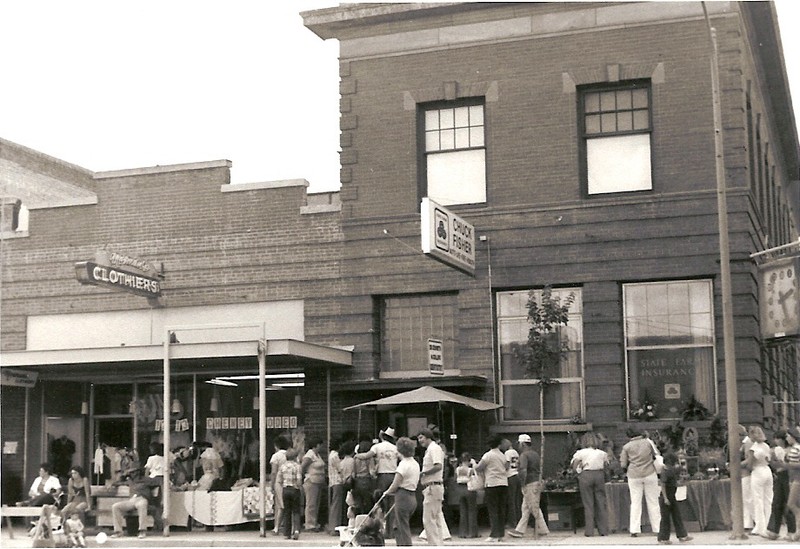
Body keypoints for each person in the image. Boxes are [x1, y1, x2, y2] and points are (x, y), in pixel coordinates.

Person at [620, 426, 661, 536]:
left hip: (634, 475)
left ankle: (634, 530)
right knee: (653, 501)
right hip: (649, 473)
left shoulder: (626, 447)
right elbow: (656, 455)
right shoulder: (648, 442)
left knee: (635, 502)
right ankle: (658, 529)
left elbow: (623, 464)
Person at [359, 427, 399, 537]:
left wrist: (357, 455)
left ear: (382, 436)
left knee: (381, 503)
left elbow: (366, 456)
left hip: (382, 476)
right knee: (392, 504)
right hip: (394, 475)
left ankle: (382, 529)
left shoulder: (376, 447)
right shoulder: (395, 448)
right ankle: (391, 530)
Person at [508, 433, 549, 539]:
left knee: (533, 507)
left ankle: (543, 530)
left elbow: (523, 470)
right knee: (526, 508)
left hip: (529, 483)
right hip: (536, 481)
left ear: (522, 444)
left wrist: (522, 483)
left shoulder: (524, 455)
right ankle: (520, 530)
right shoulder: (535, 454)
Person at [569, 432, 609, 537]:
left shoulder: (580, 453)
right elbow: (606, 466)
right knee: (601, 503)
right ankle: (603, 530)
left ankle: (589, 531)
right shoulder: (602, 453)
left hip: (586, 475)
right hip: (599, 475)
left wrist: (578, 473)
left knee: (588, 503)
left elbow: (574, 466)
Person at [383, 436, 421, 546]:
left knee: (402, 527)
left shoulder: (403, 465)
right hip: (412, 496)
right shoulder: (415, 463)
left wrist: (387, 492)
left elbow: (396, 483)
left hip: (403, 496)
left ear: (400, 450)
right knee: (398, 524)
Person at [475, 435, 510, 543]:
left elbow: (479, 467)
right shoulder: (502, 455)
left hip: (492, 484)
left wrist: (474, 465)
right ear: (499, 444)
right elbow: (507, 467)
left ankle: (494, 534)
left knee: (493, 509)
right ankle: (500, 534)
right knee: (501, 509)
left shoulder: (488, 455)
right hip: (503, 483)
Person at [764, 429, 796, 540]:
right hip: (780, 477)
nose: (776, 441)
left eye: (778, 438)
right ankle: (773, 530)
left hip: (789, 476)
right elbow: (776, 466)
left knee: (789, 503)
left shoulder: (792, 450)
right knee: (777, 502)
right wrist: (771, 461)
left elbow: (790, 465)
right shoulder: (775, 450)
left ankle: (792, 530)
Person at [417, 427, 447, 545]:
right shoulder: (431, 449)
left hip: (432, 486)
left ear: (428, 436)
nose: (420, 441)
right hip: (432, 487)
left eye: (421, 437)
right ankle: (438, 544)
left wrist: (423, 473)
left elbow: (438, 466)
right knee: (436, 518)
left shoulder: (434, 449)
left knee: (429, 519)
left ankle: (434, 545)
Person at [110, 467, 156, 539]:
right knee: (115, 506)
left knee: (142, 505)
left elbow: (158, 482)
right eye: (130, 472)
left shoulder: (146, 479)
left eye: (133, 472)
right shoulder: (130, 481)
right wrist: (124, 475)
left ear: (138, 472)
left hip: (142, 498)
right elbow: (116, 483)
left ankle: (142, 531)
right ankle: (118, 532)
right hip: (132, 500)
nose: (132, 474)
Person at [656, 452, 692, 544]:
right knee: (665, 518)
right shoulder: (665, 471)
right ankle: (663, 538)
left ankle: (682, 535)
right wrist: (665, 498)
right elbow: (663, 485)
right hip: (666, 496)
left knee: (677, 516)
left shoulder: (671, 470)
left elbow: (675, 480)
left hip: (672, 496)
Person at [747, 425, 773, 537]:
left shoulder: (753, 448)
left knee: (757, 499)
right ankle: (768, 524)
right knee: (768, 499)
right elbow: (769, 460)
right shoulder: (766, 446)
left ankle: (759, 527)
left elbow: (749, 464)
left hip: (757, 472)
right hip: (767, 471)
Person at [277, 447, 303, 541]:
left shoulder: (282, 466)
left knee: (287, 511)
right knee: (296, 511)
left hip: (285, 489)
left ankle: (286, 533)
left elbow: (279, 480)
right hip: (295, 489)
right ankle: (296, 530)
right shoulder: (297, 466)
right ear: (295, 457)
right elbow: (299, 480)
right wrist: (300, 487)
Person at [301, 435, 326, 532]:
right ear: (316, 445)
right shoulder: (309, 455)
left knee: (316, 503)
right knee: (311, 503)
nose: (321, 447)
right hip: (311, 481)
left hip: (318, 481)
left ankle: (314, 522)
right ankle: (309, 524)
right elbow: (302, 467)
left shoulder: (317, 455)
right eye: (320, 445)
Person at [269, 435, 291, 535]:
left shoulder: (276, 456)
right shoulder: (291, 454)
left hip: (279, 481)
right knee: (288, 504)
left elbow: (274, 472)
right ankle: (287, 526)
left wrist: (272, 484)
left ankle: (277, 527)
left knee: (280, 505)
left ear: (276, 446)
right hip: (290, 481)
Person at [782, 427, 800, 542]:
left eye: (788, 436)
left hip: (797, 478)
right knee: (794, 505)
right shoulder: (793, 448)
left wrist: (785, 466)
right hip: (793, 478)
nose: (787, 438)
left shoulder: (797, 448)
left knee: (791, 504)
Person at [455, 452, 478, 538]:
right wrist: (474, 463)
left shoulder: (457, 469)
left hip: (460, 490)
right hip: (469, 489)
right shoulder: (470, 470)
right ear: (469, 461)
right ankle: (472, 532)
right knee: (472, 511)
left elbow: (455, 478)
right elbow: (476, 476)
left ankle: (462, 532)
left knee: (463, 512)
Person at [352, 437, 376, 515]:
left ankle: (358, 518)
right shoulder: (369, 458)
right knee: (368, 502)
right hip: (366, 480)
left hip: (357, 481)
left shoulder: (355, 458)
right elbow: (371, 471)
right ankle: (367, 519)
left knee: (359, 502)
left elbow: (353, 472)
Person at [738, 424, 755, 531]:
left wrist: (736, 465)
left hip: (746, 474)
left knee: (748, 498)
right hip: (743, 474)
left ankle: (753, 521)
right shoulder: (745, 443)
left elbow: (749, 459)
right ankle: (747, 522)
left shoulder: (747, 443)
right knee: (746, 499)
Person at [326, 437, 344, 536]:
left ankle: (332, 526)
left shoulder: (330, 455)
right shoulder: (335, 455)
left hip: (332, 482)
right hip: (338, 481)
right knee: (336, 505)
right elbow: (340, 468)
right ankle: (334, 527)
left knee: (334, 504)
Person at [505, 438, 521, 528]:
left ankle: (512, 522)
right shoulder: (516, 453)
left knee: (511, 500)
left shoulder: (507, 453)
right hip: (517, 475)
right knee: (517, 500)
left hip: (510, 476)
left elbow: (507, 465)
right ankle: (518, 520)